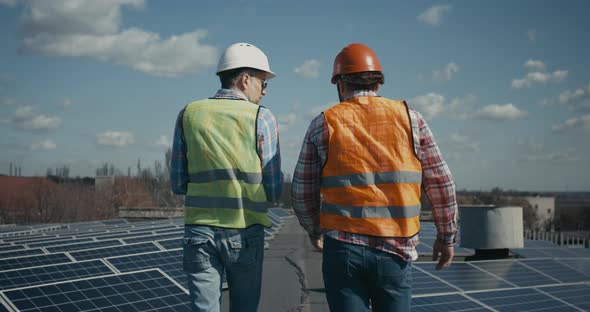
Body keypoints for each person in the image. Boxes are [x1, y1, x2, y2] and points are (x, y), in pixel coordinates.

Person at [292, 43, 458, 312]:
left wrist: (314, 230)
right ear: (378, 84)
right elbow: (441, 183)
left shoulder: (324, 123)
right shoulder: (411, 119)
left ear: (340, 84)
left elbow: (302, 191)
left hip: (343, 250)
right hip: (396, 250)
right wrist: (446, 236)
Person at [171, 42, 282, 312]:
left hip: (198, 232)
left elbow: (177, 183)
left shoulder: (189, 114)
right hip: (243, 233)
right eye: (263, 82)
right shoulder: (261, 117)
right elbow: (274, 188)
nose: (264, 91)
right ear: (245, 80)